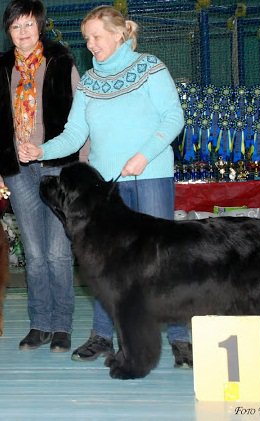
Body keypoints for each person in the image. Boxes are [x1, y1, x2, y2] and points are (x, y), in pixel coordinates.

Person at [20, 5, 192, 367]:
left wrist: (144, 155)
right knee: (102, 264)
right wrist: (41, 150)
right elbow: (74, 134)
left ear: (118, 34)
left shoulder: (151, 67)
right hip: (104, 188)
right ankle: (101, 335)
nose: (91, 44)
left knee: (160, 261)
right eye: (87, 39)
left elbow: (173, 117)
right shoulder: (90, 83)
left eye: (96, 37)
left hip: (150, 175)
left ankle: (180, 339)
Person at [0, 0, 81, 352]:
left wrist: (79, 167)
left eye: (28, 25)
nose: (22, 32)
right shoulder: (2, 67)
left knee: (58, 252)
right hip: (17, 172)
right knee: (34, 253)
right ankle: (40, 324)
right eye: (15, 26)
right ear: (8, 32)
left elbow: (80, 120)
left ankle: (61, 326)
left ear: (40, 27)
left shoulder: (61, 62)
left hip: (58, 167)